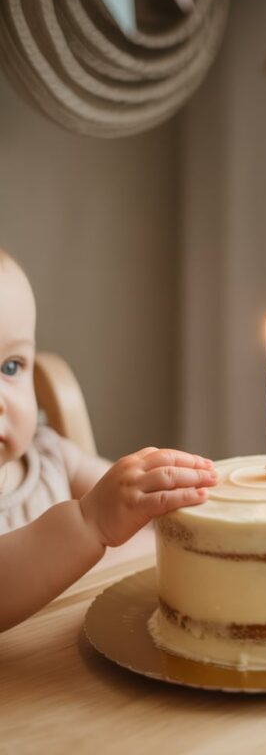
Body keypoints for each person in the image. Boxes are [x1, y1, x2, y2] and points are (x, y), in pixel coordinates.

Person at [0, 250, 218, 632]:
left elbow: (140, 517)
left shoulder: (53, 458)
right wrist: (90, 523)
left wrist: (169, 496)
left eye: (10, 367)